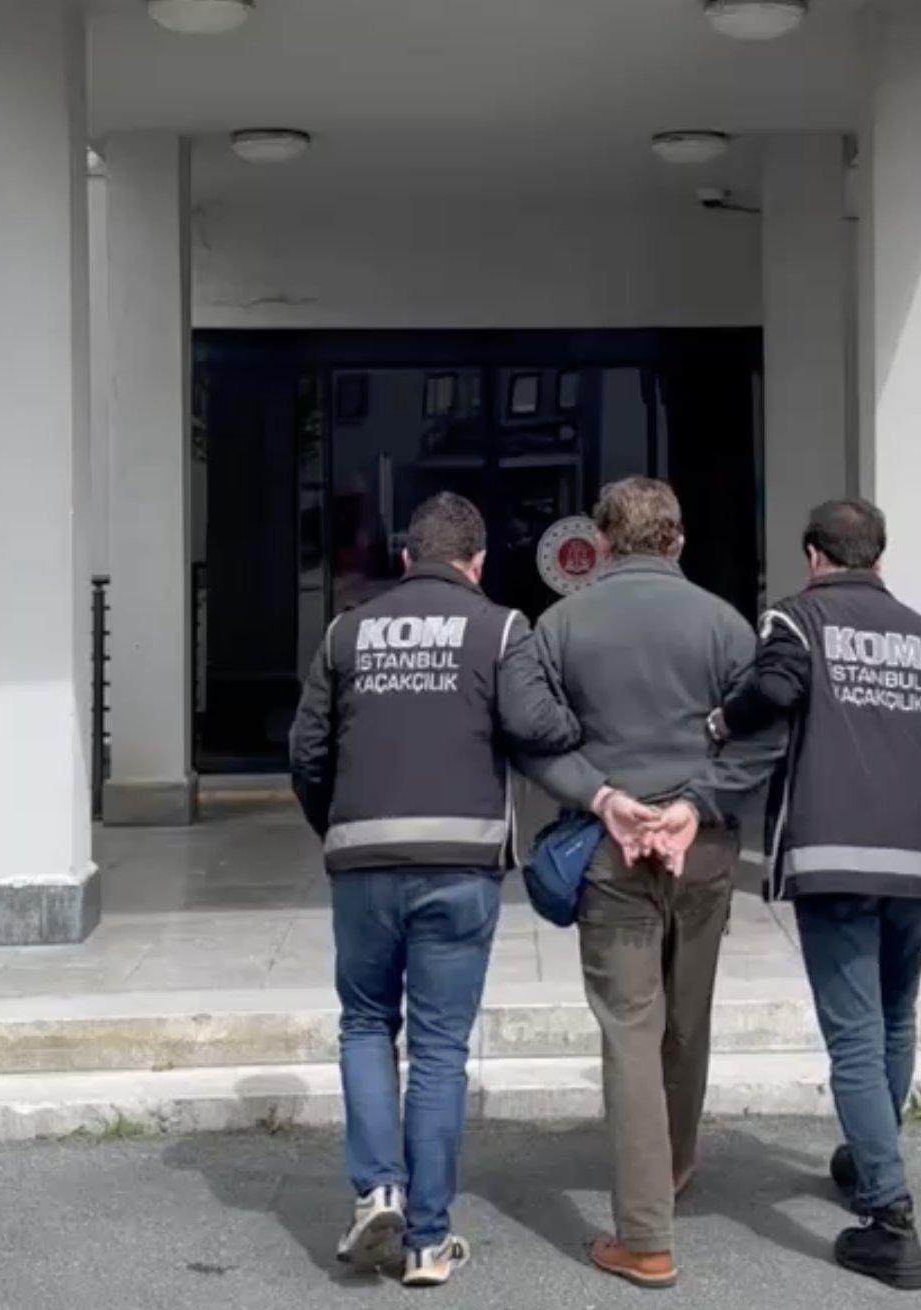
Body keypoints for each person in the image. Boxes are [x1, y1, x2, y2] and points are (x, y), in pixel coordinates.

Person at [289, 490, 582, 1288]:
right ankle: (427, 1240)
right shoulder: (501, 628)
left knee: (364, 1025)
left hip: (363, 860)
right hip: (460, 862)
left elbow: (307, 747)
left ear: (407, 556)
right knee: (441, 1052)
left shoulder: (348, 628)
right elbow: (539, 730)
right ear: (478, 563)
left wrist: (339, 827)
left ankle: (375, 1190)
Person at [708, 498, 921, 1293]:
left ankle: (889, 1220)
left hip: (835, 854)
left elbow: (780, 690)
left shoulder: (794, 622)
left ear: (812, 555)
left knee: (855, 1033)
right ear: (879, 558)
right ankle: (871, 1156)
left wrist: (723, 721)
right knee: (895, 1014)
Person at [517, 477, 777, 1292]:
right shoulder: (725, 624)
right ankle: (673, 1165)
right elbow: (767, 734)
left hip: (609, 848)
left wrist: (607, 798)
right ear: (679, 539)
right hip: (700, 849)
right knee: (686, 1016)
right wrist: (695, 806)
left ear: (599, 542)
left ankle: (645, 1238)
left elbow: (528, 735)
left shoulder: (559, 624)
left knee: (631, 1027)